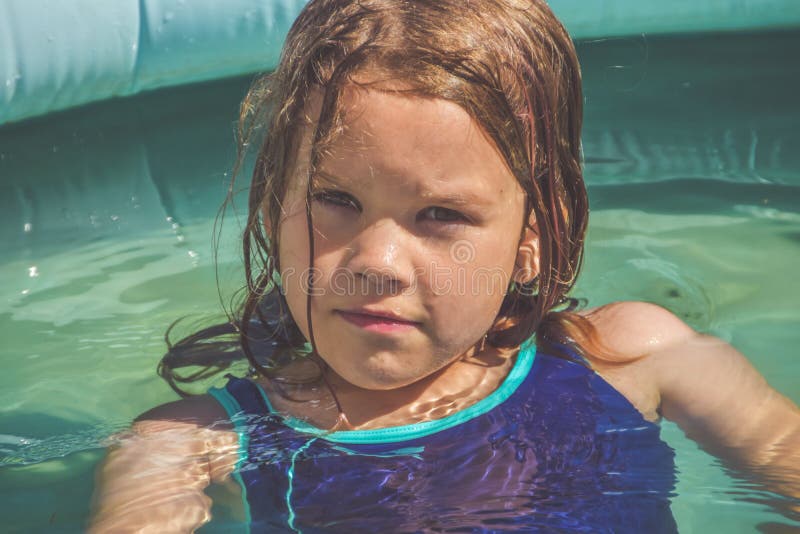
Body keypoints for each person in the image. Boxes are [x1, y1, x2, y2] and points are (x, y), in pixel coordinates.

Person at [89, 0, 800, 531]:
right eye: (335, 199)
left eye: (440, 215)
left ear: (534, 238)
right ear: (274, 207)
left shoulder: (633, 361)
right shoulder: (190, 445)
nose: (377, 262)